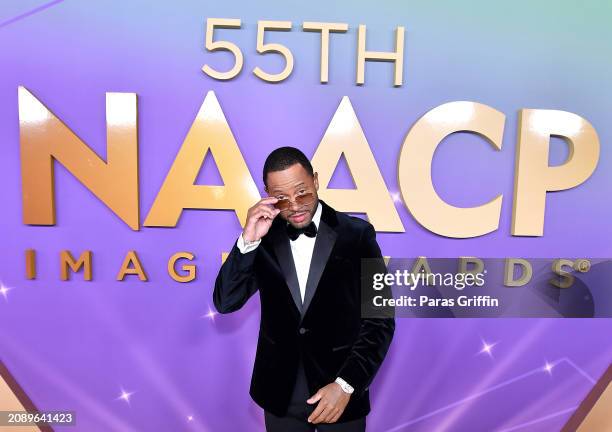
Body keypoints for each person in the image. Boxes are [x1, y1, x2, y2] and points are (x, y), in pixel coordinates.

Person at [214, 146, 395, 431]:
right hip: (279, 394)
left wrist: (346, 385)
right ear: (268, 194)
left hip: (340, 393)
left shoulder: (359, 235)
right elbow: (226, 301)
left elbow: (380, 318)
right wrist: (248, 240)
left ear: (316, 181)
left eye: (303, 193)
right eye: (282, 198)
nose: (295, 205)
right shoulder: (262, 238)